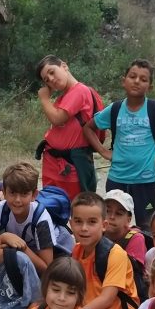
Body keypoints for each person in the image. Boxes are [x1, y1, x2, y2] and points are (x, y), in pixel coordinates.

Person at [83, 59, 155, 228]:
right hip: (117, 178)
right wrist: (103, 151)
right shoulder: (115, 109)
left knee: (146, 226)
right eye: (132, 76)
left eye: (143, 79)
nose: (136, 81)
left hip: (146, 180)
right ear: (123, 81)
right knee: (111, 225)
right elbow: (88, 128)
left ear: (150, 86)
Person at [69, 191, 138, 309]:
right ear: (71, 224)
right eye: (78, 221)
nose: (84, 228)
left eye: (92, 222)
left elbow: (107, 299)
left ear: (104, 225)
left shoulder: (115, 254)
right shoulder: (77, 250)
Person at [34, 55, 103, 201]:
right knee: (54, 206)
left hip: (72, 165)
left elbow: (57, 118)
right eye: (46, 80)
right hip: (56, 164)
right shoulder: (63, 98)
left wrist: (44, 99)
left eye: (52, 72)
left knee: (76, 206)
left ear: (64, 66)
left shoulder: (80, 90)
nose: (51, 79)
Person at [0, 161, 74, 275]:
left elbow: (47, 268)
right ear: (4, 192)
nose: (17, 200)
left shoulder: (41, 218)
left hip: (57, 251)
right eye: (12, 193)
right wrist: (3, 237)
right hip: (31, 249)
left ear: (34, 195)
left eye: (24, 194)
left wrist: (22, 248)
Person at [102, 189, 147, 267]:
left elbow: (131, 270)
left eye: (119, 213)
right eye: (107, 211)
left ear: (128, 220)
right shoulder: (96, 232)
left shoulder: (135, 238)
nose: (112, 217)